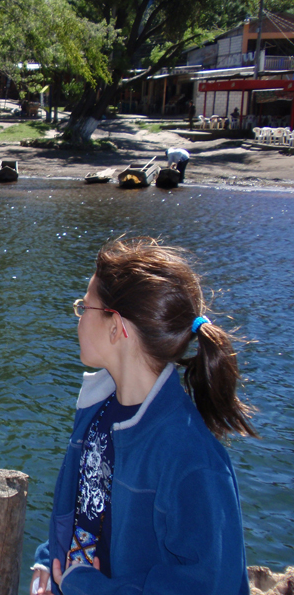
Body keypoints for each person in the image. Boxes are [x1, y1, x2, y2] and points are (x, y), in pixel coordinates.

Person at [31, 237, 256, 595]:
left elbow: (211, 585)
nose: (77, 317)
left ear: (115, 327)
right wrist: (49, 559)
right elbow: (84, 510)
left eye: (84, 307)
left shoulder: (192, 458)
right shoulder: (97, 409)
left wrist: (84, 585)